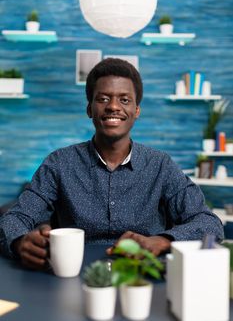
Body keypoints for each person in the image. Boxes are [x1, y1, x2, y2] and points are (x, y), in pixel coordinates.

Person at [0, 58, 223, 270]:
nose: (113, 107)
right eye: (103, 99)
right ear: (90, 109)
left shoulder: (161, 165)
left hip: (143, 275)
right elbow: (14, 218)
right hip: (69, 277)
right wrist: (20, 242)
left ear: (136, 111)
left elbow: (208, 223)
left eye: (124, 100)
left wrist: (162, 240)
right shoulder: (59, 163)